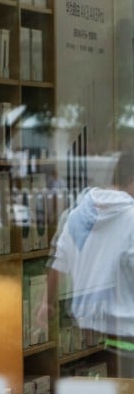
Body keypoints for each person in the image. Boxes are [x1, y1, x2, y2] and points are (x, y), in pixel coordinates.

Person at [49, 150, 134, 376]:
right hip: (127, 334)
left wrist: (47, 304)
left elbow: (58, 265)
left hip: (89, 330)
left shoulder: (77, 215)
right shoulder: (132, 218)